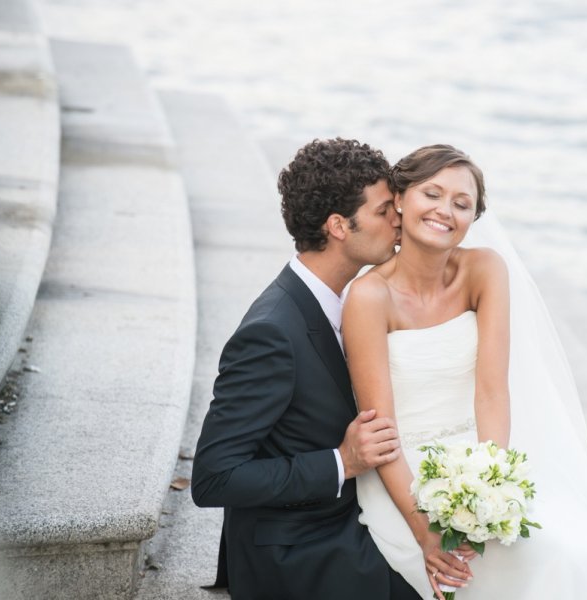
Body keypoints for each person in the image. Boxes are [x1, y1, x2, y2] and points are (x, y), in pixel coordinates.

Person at [344, 144, 587, 600]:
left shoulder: (484, 269)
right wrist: (424, 530)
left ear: (475, 218)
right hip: (405, 477)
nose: (444, 211)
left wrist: (489, 491)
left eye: (461, 203)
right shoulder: (369, 296)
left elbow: (491, 392)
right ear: (400, 199)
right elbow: (381, 428)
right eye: (431, 194)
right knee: (546, 561)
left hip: (484, 455)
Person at [191, 138, 462, 599]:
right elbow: (213, 477)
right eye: (383, 211)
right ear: (339, 226)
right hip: (300, 547)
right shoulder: (272, 332)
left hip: (349, 516)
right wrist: (342, 461)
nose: (398, 219)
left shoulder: (354, 302)